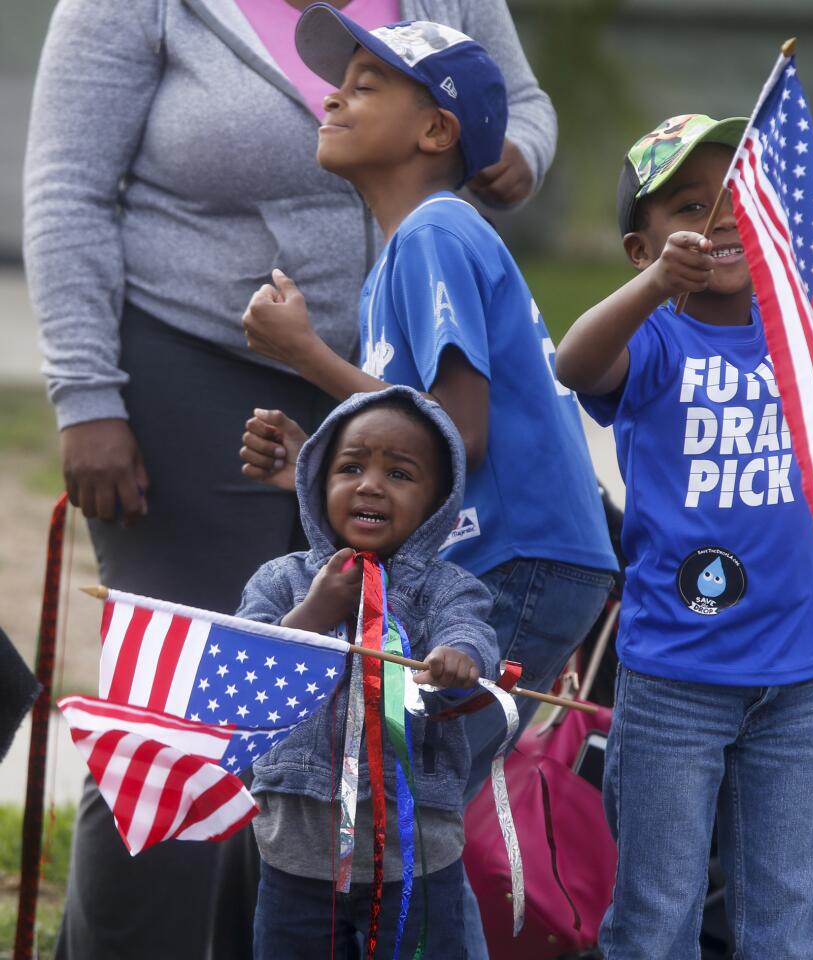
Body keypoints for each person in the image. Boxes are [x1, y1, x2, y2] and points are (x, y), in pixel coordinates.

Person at [23, 0, 555, 955]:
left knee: (325, 726)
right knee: (197, 710)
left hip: (383, 392)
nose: (338, 99)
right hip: (189, 365)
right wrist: (87, 394)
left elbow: (523, 102)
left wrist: (512, 147)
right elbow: (65, 185)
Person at [236, 12, 616, 952]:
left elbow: (457, 434)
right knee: (403, 793)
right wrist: (316, 463)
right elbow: (416, 440)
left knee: (414, 795)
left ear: (436, 130)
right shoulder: (406, 250)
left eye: (365, 85)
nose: (332, 94)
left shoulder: (436, 231)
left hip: (521, 555)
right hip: (523, 554)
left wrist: (305, 354)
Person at [553, 115, 813, 959]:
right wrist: (651, 295)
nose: (719, 220)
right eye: (688, 206)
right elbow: (575, 364)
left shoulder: (804, 330)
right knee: (657, 916)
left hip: (792, 685)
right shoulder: (653, 338)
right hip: (673, 683)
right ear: (641, 251)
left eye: (736, 200)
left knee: (791, 918)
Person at [238, 385, 497, 958]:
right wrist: (315, 613)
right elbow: (250, 665)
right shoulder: (280, 581)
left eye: (400, 474)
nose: (371, 484)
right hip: (296, 856)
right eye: (350, 467)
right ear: (318, 483)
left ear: (437, 504)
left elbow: (472, 632)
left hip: (417, 860)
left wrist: (462, 658)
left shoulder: (446, 588)